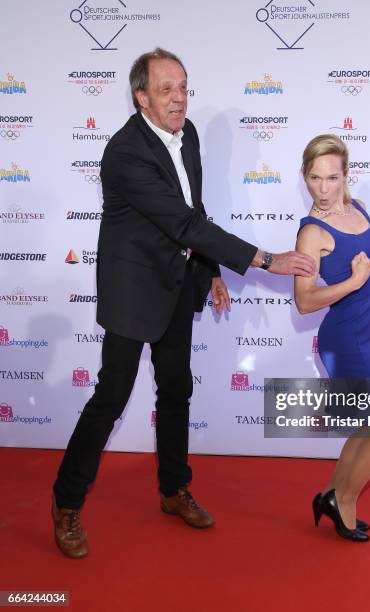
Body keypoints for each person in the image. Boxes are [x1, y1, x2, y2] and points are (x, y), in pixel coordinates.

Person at [52, 48, 315, 559]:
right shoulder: (125, 152)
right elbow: (183, 224)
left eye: (183, 86)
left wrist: (210, 269)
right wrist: (264, 260)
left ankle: (174, 490)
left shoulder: (188, 135)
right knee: (112, 395)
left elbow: (194, 211)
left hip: (177, 281)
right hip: (133, 288)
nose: (179, 97)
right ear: (142, 97)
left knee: (176, 389)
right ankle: (66, 503)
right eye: (167, 89)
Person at [294, 134, 370, 542]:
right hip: (346, 341)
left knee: (369, 426)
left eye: (331, 178)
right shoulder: (312, 233)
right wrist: (355, 282)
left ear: (346, 175)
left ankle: (332, 495)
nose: (323, 189)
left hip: (367, 331)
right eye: (314, 178)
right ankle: (342, 500)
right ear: (304, 177)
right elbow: (305, 302)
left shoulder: (356, 206)